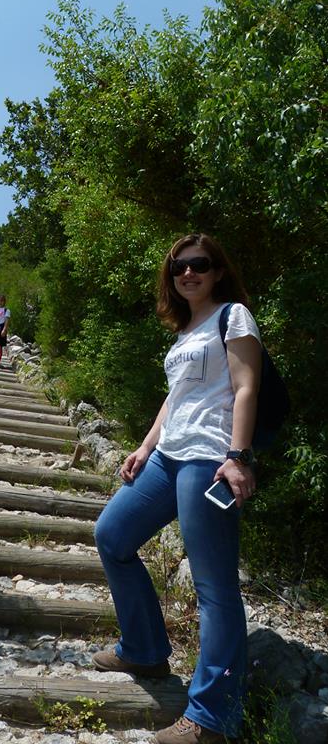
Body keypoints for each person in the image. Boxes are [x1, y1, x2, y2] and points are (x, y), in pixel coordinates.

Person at [93, 233, 261, 744]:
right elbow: (175, 400)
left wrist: (237, 457)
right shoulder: (185, 331)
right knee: (112, 535)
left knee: (214, 588)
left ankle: (211, 719)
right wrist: (145, 447)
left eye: (199, 264)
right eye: (178, 267)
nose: (188, 272)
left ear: (217, 270)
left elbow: (247, 387)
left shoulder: (233, 316)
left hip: (209, 458)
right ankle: (144, 651)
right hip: (168, 457)